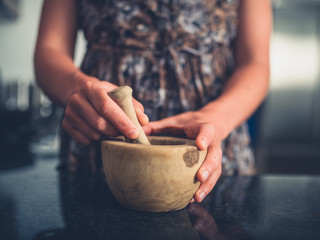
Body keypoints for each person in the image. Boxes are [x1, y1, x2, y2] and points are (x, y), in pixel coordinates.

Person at [34, 0, 271, 203]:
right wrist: (76, 86)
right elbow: (49, 50)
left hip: (214, 145)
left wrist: (216, 118)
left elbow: (255, 63)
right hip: (99, 145)